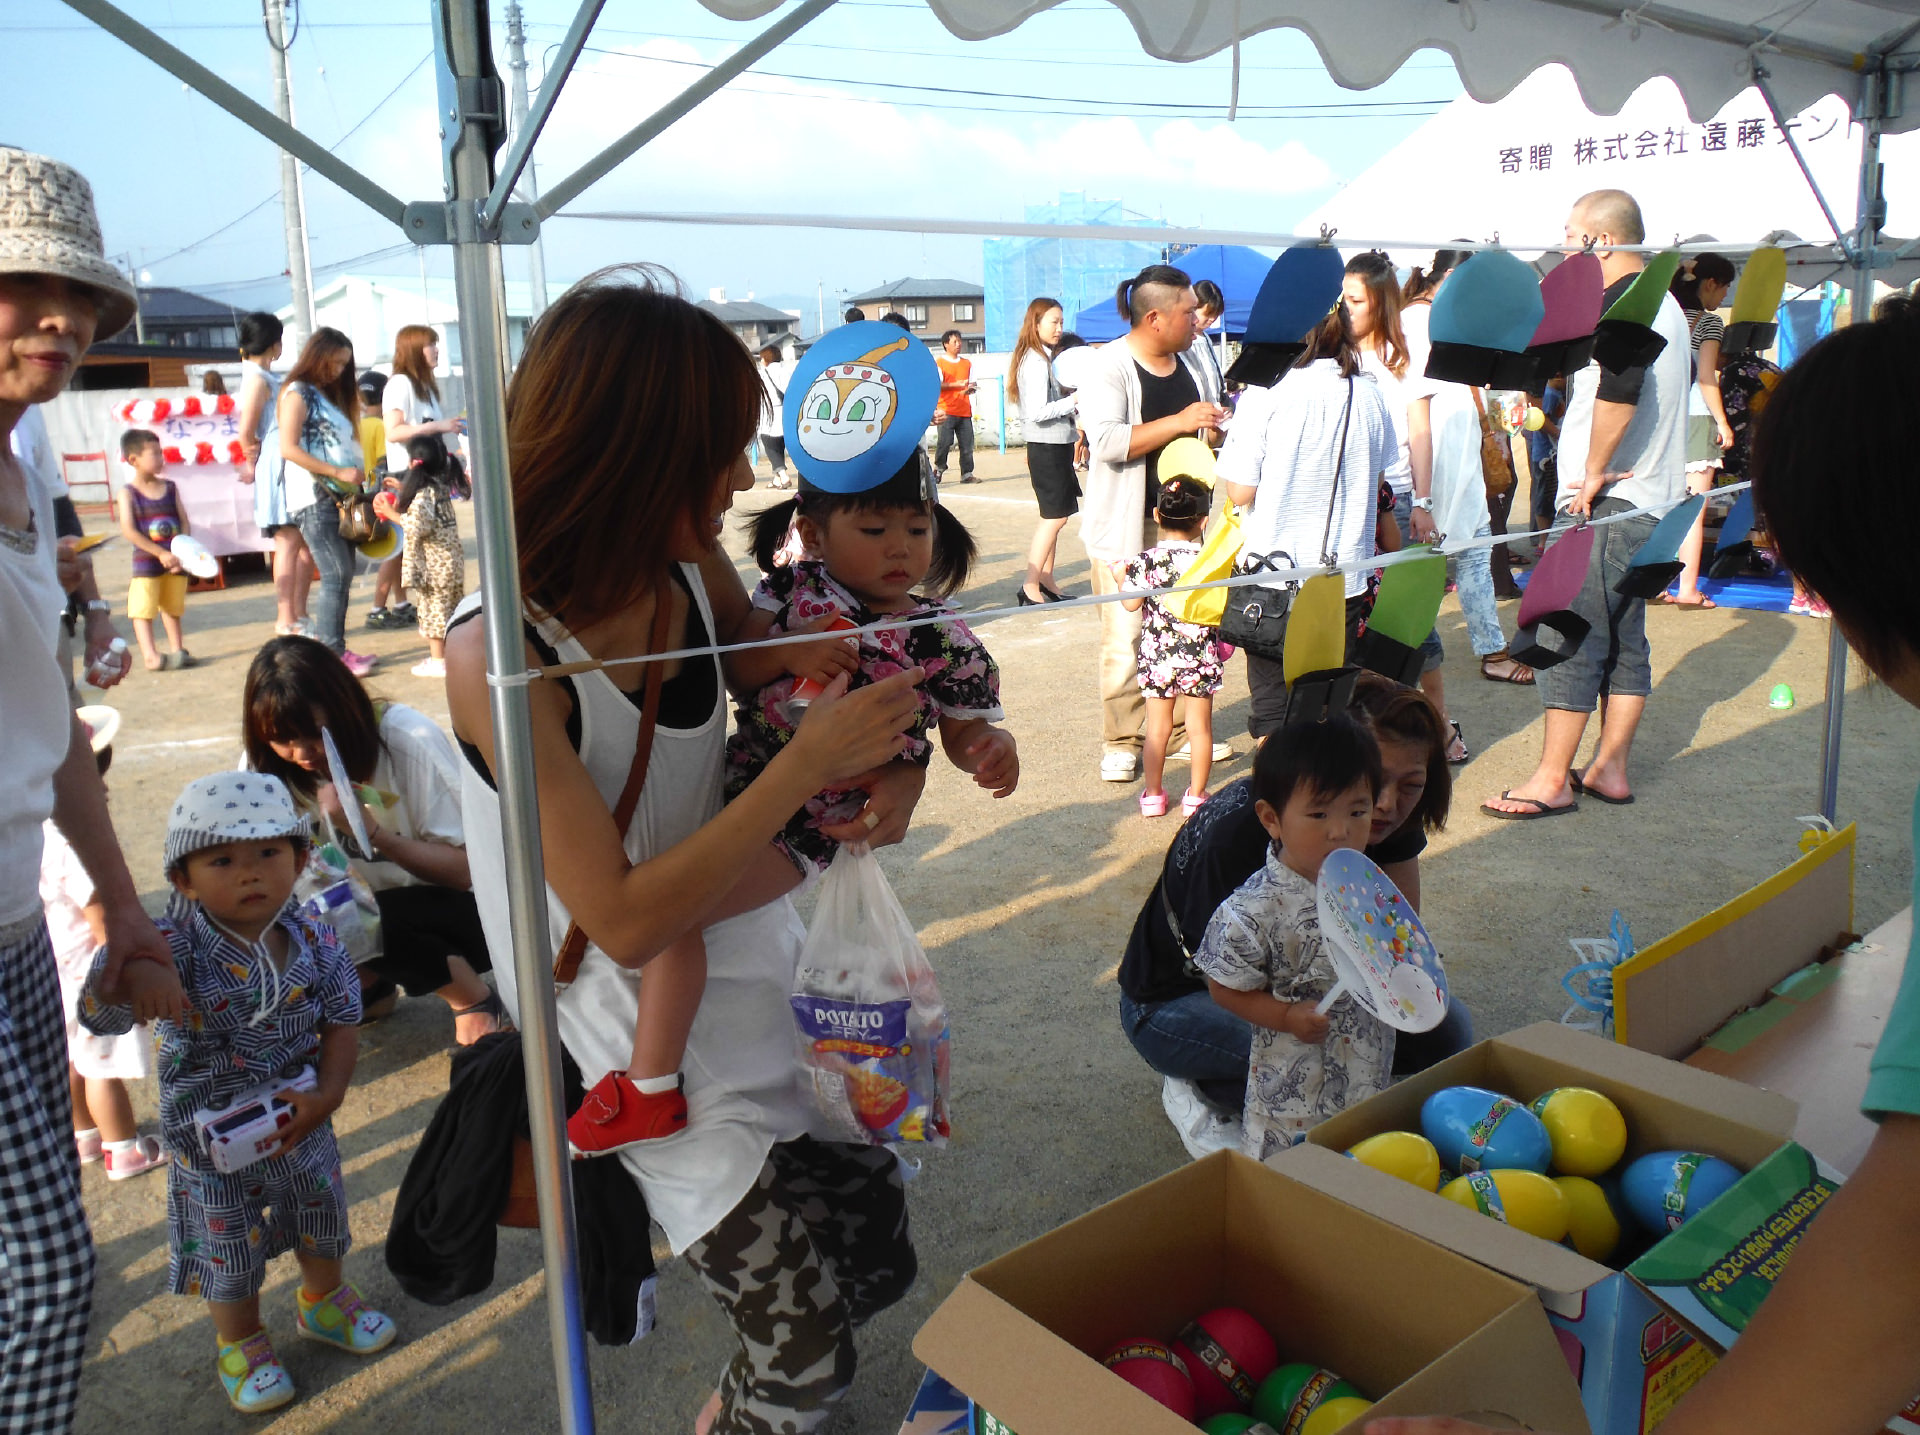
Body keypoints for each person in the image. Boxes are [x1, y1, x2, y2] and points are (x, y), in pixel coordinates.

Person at [1370, 261, 1920, 1435]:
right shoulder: (1674, 321)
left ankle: (1569, 767)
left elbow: (1900, 1262)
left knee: (1583, 644)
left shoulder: (1627, 336)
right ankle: (1600, 761)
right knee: (1620, 651)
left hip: (1608, 504)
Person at [444, 267, 931, 1435]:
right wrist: (806, 767)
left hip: (747, 946)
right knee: (807, 1347)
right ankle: (766, 1402)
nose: (738, 482)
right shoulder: (498, 652)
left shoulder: (677, 564)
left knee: (875, 1249)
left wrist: (887, 729)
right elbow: (617, 917)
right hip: (631, 1021)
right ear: (626, 457)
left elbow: (757, 654)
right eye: (715, 454)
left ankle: (745, 1401)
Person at [572, 451, 1016, 1157]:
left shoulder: (941, 635)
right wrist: (790, 654)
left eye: (916, 526)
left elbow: (965, 728)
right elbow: (741, 668)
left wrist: (988, 750)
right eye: (874, 529)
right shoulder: (793, 594)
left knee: (674, 919)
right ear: (812, 534)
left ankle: (649, 1088)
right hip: (734, 785)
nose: (900, 546)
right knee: (670, 908)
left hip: (802, 827)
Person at [0, 143, 181, 1433]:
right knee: (53, 1275)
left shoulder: (29, 471)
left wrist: (122, 907)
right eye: (25, 286)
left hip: (19, 932)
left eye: (86, 301)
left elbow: (50, 722)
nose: (64, 320)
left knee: (47, 1268)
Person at [79, 772, 396, 1414]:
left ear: (300, 858)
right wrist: (128, 979)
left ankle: (323, 1302)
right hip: (210, 1141)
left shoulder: (313, 933)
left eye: (268, 854)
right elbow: (99, 1017)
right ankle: (241, 1341)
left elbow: (341, 1017)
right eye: (222, 860)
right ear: (183, 878)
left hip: (301, 1116)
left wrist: (331, 1095)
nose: (249, 874)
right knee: (228, 1245)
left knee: (322, 1216)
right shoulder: (170, 947)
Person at [1119, 675, 1461, 1156]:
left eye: (1412, 786)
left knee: (1440, 1030)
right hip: (1175, 999)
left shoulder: (1371, 815)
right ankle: (1199, 1088)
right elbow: (1226, 981)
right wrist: (1289, 1017)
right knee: (1301, 1059)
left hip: (1303, 984)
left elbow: (1390, 933)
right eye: (1377, 783)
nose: (1387, 806)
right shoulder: (1241, 850)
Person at [1482, 190, 1689, 818]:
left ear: (1598, 241)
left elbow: (1619, 392)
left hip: (1609, 500)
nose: (1565, 246)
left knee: (1568, 628)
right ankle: (1610, 767)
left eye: (1570, 235)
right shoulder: (1670, 306)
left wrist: (1593, 473)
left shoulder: (1631, 302)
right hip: (1649, 501)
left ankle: (1551, 778)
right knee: (1626, 637)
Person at [242, 635, 505, 1045]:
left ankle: (473, 1001)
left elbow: (471, 871)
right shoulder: (265, 770)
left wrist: (375, 834)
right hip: (370, 915)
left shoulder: (406, 740)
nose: (301, 753)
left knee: (347, 914)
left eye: (312, 733)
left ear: (344, 707)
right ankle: (371, 984)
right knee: (277, 910)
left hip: (467, 914)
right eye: (282, 740)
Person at [1192, 715, 1393, 1160]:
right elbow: (1222, 987)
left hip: (1365, 1066)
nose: (1340, 830)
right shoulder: (1252, 910)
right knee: (1288, 1175)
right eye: (1319, 814)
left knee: (1360, 1163)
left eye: (1357, 811)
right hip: (1291, 1092)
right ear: (1271, 818)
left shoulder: (1367, 886)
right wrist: (1284, 1017)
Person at [1079, 264, 1230, 782]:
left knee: (1190, 625)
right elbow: (1107, 442)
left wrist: (1210, 428)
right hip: (1126, 526)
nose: (1197, 321)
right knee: (1126, 636)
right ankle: (1122, 739)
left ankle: (1185, 733)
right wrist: (1181, 421)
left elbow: (1201, 428)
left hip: (1184, 528)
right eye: (1189, 312)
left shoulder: (1191, 358)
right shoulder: (1109, 366)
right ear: (1155, 317)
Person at [1217, 304, 1397, 737]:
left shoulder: (1265, 392)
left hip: (1274, 579)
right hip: (1343, 579)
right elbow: (1377, 481)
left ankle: (1278, 797)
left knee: (1275, 713)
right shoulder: (1367, 392)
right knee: (1329, 706)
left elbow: (1239, 492)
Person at [1402, 254, 1534, 708]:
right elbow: (1415, 404)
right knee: (1426, 561)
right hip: (1430, 459)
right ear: (1453, 278)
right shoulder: (1415, 320)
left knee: (1475, 550)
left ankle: (1492, 649)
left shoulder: (1453, 318)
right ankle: (1415, 654)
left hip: (1461, 455)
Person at [40, 721, 164, 1180]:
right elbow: (100, 916)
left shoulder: (36, 838)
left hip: (54, 966)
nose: (103, 790)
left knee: (73, 1056)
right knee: (102, 1066)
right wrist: (128, 968)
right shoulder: (76, 847)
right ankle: (124, 1148)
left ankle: (85, 1136)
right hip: (90, 975)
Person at [277, 327, 379, 676]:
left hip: (343, 495)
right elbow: (288, 448)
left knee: (343, 572)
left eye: (343, 365)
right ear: (316, 356)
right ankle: (332, 655)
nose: (337, 370)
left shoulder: (328, 395)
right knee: (336, 572)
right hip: (316, 494)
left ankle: (337, 650)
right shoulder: (298, 393)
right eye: (333, 363)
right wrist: (336, 470)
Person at [1122, 475, 1221, 819]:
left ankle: (1153, 795)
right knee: (1200, 728)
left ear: (1157, 516)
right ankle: (1195, 796)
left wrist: (1122, 577)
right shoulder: (1211, 561)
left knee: (1157, 728)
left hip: (1158, 656)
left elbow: (1132, 605)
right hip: (1200, 655)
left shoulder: (1146, 560)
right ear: (1204, 521)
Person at [1666, 252, 1738, 610]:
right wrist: (1723, 423)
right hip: (1696, 417)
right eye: (1724, 288)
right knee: (1693, 507)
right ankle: (1688, 588)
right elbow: (1707, 378)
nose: (1724, 296)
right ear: (1710, 284)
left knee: (1659, 503)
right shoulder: (1709, 324)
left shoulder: (1663, 316)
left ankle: (1654, 583)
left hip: (1662, 420)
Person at [236, 311, 312, 638]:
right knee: (288, 541)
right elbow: (246, 431)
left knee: (302, 543)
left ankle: (298, 612)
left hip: (286, 461)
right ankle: (286, 618)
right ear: (275, 345)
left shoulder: (263, 376)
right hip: (278, 463)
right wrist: (251, 456)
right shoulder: (257, 379)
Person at [1006, 296, 1079, 604]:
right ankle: (1030, 583)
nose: (1060, 328)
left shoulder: (1043, 356)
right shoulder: (1035, 360)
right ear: (1036, 324)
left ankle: (1046, 579)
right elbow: (1037, 411)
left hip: (1057, 444)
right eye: (1054, 322)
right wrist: (1074, 401)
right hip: (1046, 447)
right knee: (1053, 518)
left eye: (1062, 322)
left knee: (1058, 515)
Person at [116, 427, 197, 671]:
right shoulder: (127, 493)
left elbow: (183, 520)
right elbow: (129, 530)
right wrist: (159, 553)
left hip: (175, 561)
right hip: (147, 562)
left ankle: (177, 649)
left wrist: (181, 550)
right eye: (154, 454)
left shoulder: (170, 487)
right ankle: (150, 655)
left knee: (172, 606)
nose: (161, 458)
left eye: (161, 453)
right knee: (143, 609)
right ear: (133, 460)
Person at [392, 435, 467, 679]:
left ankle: (438, 661)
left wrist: (389, 513)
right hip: (451, 562)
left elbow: (417, 525)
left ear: (414, 463)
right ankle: (450, 655)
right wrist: (401, 489)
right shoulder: (441, 486)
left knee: (435, 613)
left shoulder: (424, 494)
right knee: (450, 609)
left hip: (435, 567)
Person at [358, 368, 410, 634]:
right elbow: (383, 463)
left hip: (366, 496)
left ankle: (401, 603)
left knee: (397, 552)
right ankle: (378, 608)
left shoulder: (358, 425)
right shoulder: (380, 426)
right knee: (393, 553)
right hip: (385, 495)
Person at [932, 329, 977, 484]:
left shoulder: (967, 363)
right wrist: (955, 384)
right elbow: (936, 385)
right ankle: (939, 469)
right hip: (946, 409)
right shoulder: (940, 363)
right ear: (946, 344)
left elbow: (973, 381)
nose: (958, 344)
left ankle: (967, 474)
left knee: (967, 445)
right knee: (944, 442)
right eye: (954, 342)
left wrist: (970, 388)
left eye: (959, 341)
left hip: (964, 410)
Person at [1183, 278, 1227, 404]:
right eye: (1208, 314)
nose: (1212, 319)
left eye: (1216, 314)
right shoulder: (1181, 340)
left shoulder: (1206, 338)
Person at [755, 343, 791, 488]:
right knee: (779, 445)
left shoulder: (763, 373)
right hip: (786, 412)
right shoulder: (787, 371)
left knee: (770, 445)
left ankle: (783, 475)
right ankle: (777, 479)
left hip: (770, 413)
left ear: (765, 359)